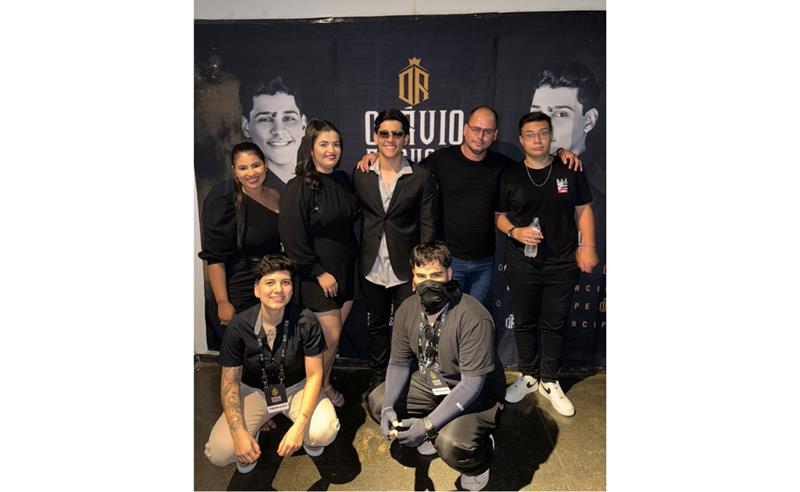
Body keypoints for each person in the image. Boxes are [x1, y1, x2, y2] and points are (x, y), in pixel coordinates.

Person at [357, 106, 580, 305]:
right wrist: (378, 155)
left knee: (474, 322)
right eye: (475, 129)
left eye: (487, 131)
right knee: (446, 322)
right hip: (448, 262)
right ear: (465, 129)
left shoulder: (503, 166)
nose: (480, 136)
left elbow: (534, 164)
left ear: (495, 135)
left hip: (484, 263)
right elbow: (405, 171)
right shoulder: (441, 159)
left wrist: (559, 154)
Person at [367, 242, 505, 491]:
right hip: (431, 382)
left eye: (436, 275)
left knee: (452, 444)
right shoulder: (406, 309)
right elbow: (398, 362)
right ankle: (433, 425)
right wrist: (388, 407)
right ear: (413, 278)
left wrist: (427, 425)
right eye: (421, 276)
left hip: (476, 394)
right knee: (378, 401)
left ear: (449, 274)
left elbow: (472, 384)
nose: (428, 283)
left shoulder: (474, 316)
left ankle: (479, 459)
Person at [496, 112, 598, 416]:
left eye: (542, 132)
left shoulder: (569, 168)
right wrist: (516, 232)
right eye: (530, 134)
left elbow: (583, 210)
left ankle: (550, 380)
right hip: (522, 263)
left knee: (554, 323)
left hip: (562, 263)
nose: (537, 139)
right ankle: (529, 376)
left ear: (551, 136)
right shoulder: (510, 175)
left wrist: (588, 246)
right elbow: (499, 216)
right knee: (525, 321)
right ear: (520, 140)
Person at [204, 255, 340, 473]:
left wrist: (300, 426)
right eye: (270, 282)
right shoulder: (239, 327)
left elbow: (315, 375)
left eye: (285, 282)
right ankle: (252, 433)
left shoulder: (306, 320)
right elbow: (229, 384)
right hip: (254, 391)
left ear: (292, 289)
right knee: (220, 452)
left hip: (297, 388)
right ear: (256, 289)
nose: (278, 289)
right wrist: (239, 434)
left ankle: (309, 438)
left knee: (323, 432)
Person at [352, 109, 438, 392]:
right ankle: (378, 376)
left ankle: (404, 378)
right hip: (372, 265)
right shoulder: (362, 173)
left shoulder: (421, 176)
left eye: (397, 134)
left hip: (406, 268)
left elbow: (428, 225)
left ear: (406, 138)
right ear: (375, 137)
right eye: (384, 133)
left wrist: (421, 270)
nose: (390, 139)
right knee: (377, 325)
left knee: (407, 328)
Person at [279, 119, 359, 408]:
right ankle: (316, 391)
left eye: (336, 144)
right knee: (329, 337)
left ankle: (322, 383)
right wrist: (319, 273)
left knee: (333, 340)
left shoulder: (343, 180)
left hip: (345, 272)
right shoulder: (297, 187)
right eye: (323, 144)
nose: (331, 150)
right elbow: (293, 240)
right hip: (317, 276)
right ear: (310, 149)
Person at [199, 142, 282, 327]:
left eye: (256, 165)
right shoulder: (223, 201)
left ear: (265, 165)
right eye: (243, 168)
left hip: (275, 284)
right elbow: (215, 258)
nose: (251, 173)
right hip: (242, 289)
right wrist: (223, 302)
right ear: (234, 171)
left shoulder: (276, 195)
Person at [239, 73, 309, 189]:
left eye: (288, 118)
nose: (279, 130)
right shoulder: (230, 196)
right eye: (265, 119)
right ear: (246, 127)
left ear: (303, 125)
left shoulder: (323, 188)